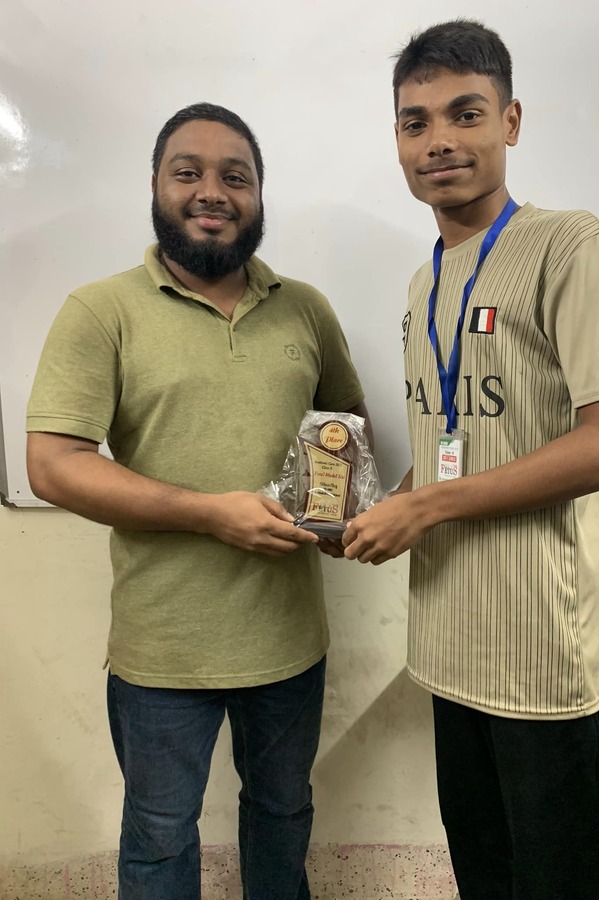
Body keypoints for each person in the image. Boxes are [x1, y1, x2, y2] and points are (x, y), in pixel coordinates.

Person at [343, 19, 599, 900]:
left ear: (510, 122)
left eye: (465, 113)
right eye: (414, 122)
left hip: (537, 651)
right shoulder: (424, 282)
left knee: (555, 881)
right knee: (482, 875)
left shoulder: (572, 245)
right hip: (447, 644)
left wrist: (427, 508)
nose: (437, 141)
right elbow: (452, 443)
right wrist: (382, 507)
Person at [26, 102, 368, 900]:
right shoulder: (100, 310)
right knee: (158, 838)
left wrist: (337, 512)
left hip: (289, 642)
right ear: (156, 185)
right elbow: (52, 465)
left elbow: (343, 427)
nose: (212, 191)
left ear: (258, 195)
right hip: (161, 651)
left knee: (283, 815)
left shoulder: (305, 307)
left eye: (235, 177)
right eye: (188, 172)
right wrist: (211, 512)